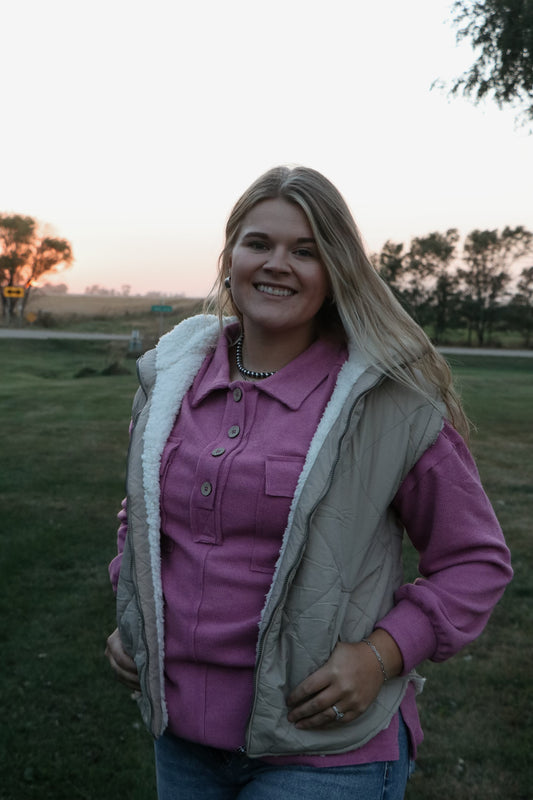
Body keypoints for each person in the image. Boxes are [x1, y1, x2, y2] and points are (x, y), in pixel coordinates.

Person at [105, 165, 512, 800]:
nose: (277, 264)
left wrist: (382, 654)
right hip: (182, 738)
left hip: (325, 752)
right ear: (230, 256)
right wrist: (135, 616)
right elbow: (144, 517)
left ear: (338, 271)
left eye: (306, 250)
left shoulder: (386, 400)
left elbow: (476, 561)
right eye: (258, 243)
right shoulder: (171, 384)